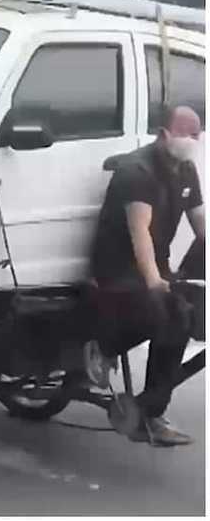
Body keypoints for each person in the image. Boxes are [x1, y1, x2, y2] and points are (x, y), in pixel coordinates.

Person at [86, 105, 204, 446]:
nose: (192, 140)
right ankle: (103, 346)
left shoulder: (186, 171)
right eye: (185, 133)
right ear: (165, 133)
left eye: (197, 134)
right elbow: (141, 236)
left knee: (184, 315)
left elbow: (202, 228)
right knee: (171, 315)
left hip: (156, 266)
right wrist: (156, 283)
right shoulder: (136, 171)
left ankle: (148, 410)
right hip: (118, 271)